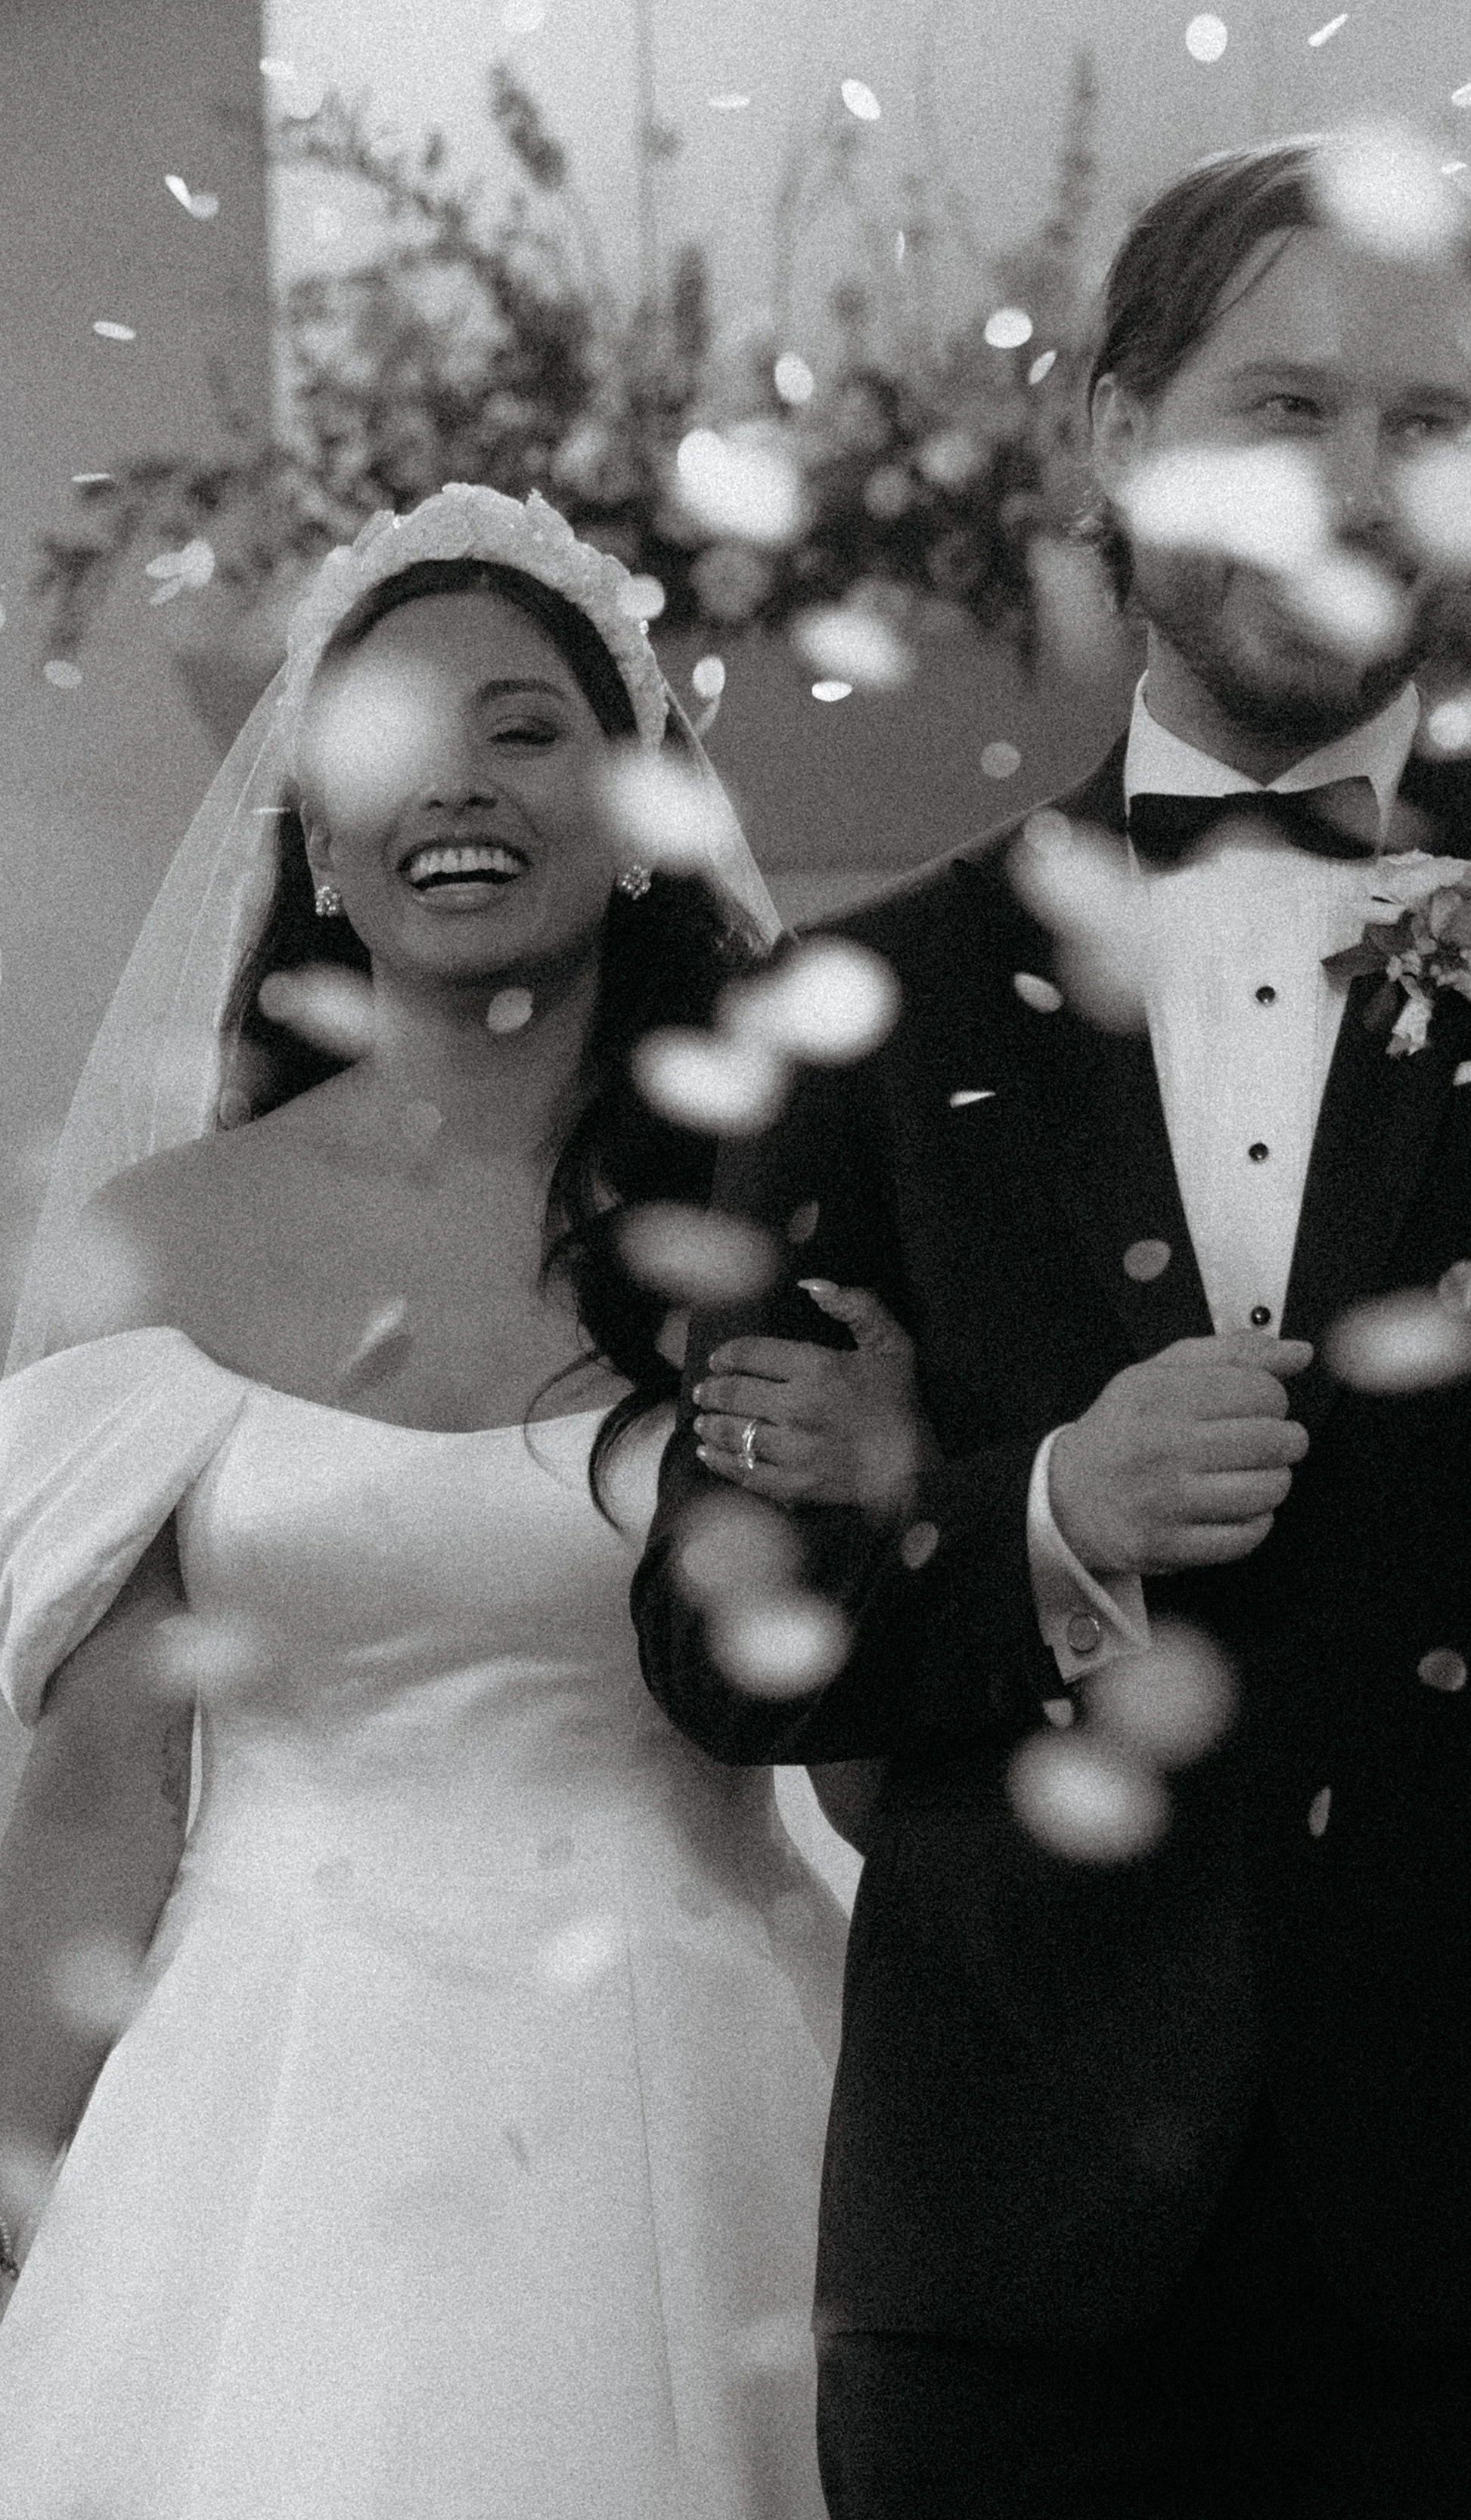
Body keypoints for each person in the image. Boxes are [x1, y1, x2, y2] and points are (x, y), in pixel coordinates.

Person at [635, 141, 1471, 2520]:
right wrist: (1039, 1523)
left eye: (1424, 421)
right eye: (1281, 402)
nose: (1351, 482)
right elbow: (725, 1641)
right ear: (1114, 436)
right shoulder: (864, 1010)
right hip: (1010, 2282)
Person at [0, 482, 912, 2520]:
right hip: (268, 2111)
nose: (458, 792)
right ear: (315, 840)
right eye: (392, 748)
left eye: (522, 726)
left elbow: (867, 1759)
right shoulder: (167, 1239)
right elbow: (104, 1786)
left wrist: (880, 1491)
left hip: (699, 2073)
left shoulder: (782, 1204)